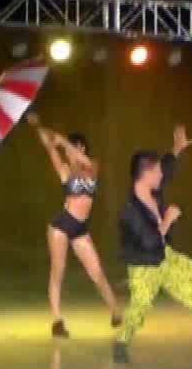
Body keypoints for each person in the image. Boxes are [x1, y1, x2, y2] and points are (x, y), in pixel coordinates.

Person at [113, 125, 192, 364]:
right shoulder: (130, 210)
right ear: (146, 173)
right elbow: (149, 241)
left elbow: (167, 168)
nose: (162, 175)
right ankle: (121, 342)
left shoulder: (153, 190)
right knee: (139, 309)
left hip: (165, 257)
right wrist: (167, 220)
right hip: (144, 266)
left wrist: (177, 149)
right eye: (157, 171)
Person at [26, 113, 122, 338]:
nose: (70, 152)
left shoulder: (92, 166)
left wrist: (63, 141)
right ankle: (57, 321)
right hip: (62, 225)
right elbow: (50, 146)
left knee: (97, 272)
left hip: (80, 228)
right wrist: (40, 127)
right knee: (57, 271)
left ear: (82, 149)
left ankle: (116, 311)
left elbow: (83, 162)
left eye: (75, 148)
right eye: (70, 150)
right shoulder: (65, 171)